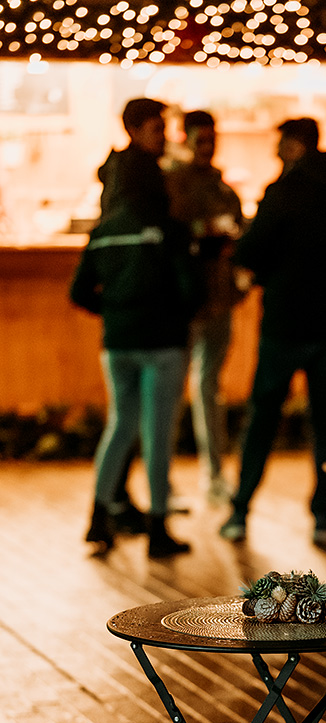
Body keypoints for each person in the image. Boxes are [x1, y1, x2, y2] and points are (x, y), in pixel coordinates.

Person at [219, 118, 326, 546]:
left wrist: (261, 267)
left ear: (294, 145)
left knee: (263, 417)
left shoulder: (285, 191)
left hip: (286, 322)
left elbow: (252, 250)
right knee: (324, 421)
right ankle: (322, 513)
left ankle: (240, 509)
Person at [72, 99, 201, 559]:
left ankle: (98, 518)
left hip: (118, 340)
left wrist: (113, 309)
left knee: (119, 427)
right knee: (157, 433)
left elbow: (79, 292)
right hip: (161, 340)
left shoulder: (104, 228)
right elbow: (189, 290)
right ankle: (159, 528)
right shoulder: (168, 229)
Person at [165, 110, 244, 506]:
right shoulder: (172, 183)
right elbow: (172, 233)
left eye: (212, 139)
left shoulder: (220, 186)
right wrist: (205, 230)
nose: (208, 147)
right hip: (182, 300)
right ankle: (164, 482)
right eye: (201, 139)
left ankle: (213, 476)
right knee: (174, 390)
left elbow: (240, 233)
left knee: (208, 388)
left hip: (217, 296)